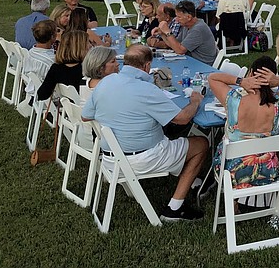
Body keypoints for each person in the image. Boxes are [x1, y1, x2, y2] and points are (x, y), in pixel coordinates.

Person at [82, 44, 208, 223]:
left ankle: (191, 178)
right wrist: (195, 101)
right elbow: (182, 119)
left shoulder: (105, 83)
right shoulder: (147, 89)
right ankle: (174, 208)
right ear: (147, 66)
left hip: (110, 158)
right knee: (201, 144)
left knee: (169, 137)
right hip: (142, 159)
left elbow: (86, 116)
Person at [207, 56, 279, 194]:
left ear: (250, 73)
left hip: (231, 173)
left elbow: (212, 78)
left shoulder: (234, 100)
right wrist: (278, 80)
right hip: (268, 171)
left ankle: (234, 202)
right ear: (272, 79)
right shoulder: (278, 105)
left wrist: (240, 81)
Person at [152, 1, 217, 65]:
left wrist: (168, 32)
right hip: (190, 61)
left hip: (203, 65)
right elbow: (174, 45)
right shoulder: (186, 25)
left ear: (188, 17)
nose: (176, 20)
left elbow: (180, 50)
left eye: (179, 17)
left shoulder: (198, 29)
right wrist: (162, 34)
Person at [37, 30, 88, 101]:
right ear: (81, 48)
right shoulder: (86, 70)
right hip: (84, 107)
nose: (90, 46)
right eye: (88, 43)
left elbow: (42, 94)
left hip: (67, 106)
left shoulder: (56, 68)